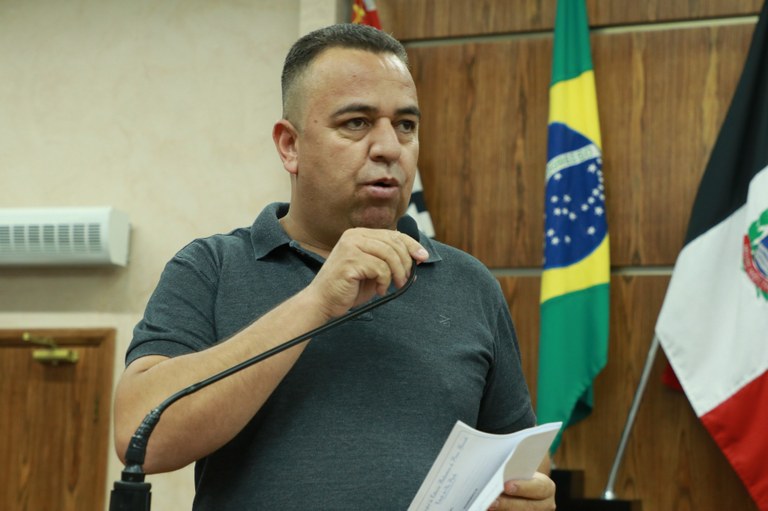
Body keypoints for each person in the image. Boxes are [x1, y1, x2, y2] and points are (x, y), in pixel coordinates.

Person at [114, 23, 555, 510]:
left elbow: (522, 458)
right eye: (357, 123)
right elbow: (140, 435)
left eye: (406, 125)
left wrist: (528, 495)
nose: (389, 147)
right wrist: (316, 301)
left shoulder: (469, 283)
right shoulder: (211, 268)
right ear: (290, 146)